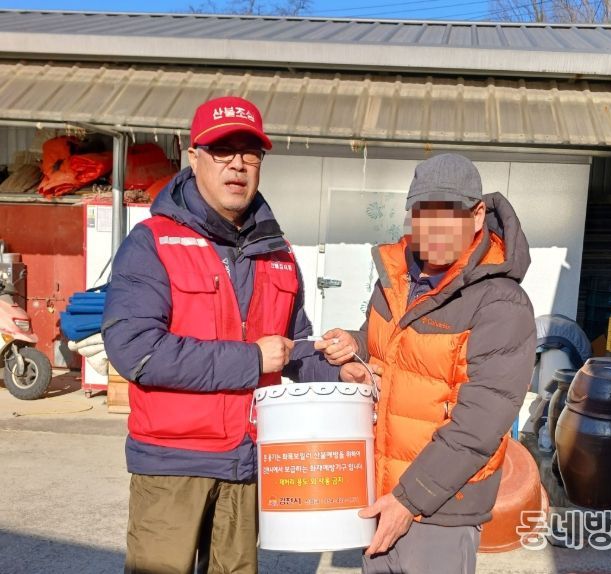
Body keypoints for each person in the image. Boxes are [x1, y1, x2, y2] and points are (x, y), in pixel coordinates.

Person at [102, 96, 372, 574]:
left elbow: (294, 345)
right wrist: (251, 360)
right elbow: (136, 351)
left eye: (250, 152)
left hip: (248, 463)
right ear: (194, 157)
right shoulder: (153, 242)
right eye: (222, 150)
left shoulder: (278, 252)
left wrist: (338, 370)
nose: (238, 164)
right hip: (173, 464)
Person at [316, 153, 537, 574]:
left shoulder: (500, 303)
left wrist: (408, 500)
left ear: (476, 215)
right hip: (382, 488)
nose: (432, 228)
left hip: (440, 507)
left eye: (447, 214)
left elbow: (479, 424)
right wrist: (353, 348)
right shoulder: (396, 281)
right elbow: (384, 348)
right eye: (422, 213)